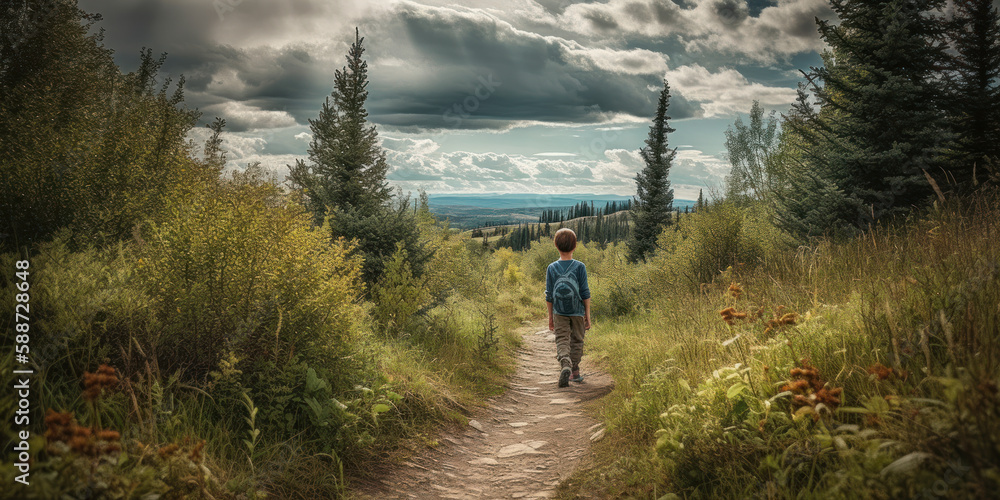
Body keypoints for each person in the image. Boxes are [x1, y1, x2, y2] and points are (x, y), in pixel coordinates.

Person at [545, 228, 591, 388]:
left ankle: (565, 364)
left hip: (559, 312)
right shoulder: (579, 267)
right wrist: (587, 315)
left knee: (562, 339)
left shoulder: (551, 268)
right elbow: (585, 293)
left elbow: (549, 295)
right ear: (575, 246)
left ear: (556, 246)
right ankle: (574, 371)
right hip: (577, 311)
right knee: (577, 340)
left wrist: (550, 317)